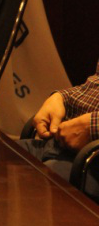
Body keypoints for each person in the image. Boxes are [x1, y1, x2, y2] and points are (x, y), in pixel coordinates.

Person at [20, 65, 99, 199]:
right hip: (57, 144)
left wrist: (93, 126)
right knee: (2, 157)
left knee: (31, 183)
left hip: (91, 165)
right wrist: (61, 97)